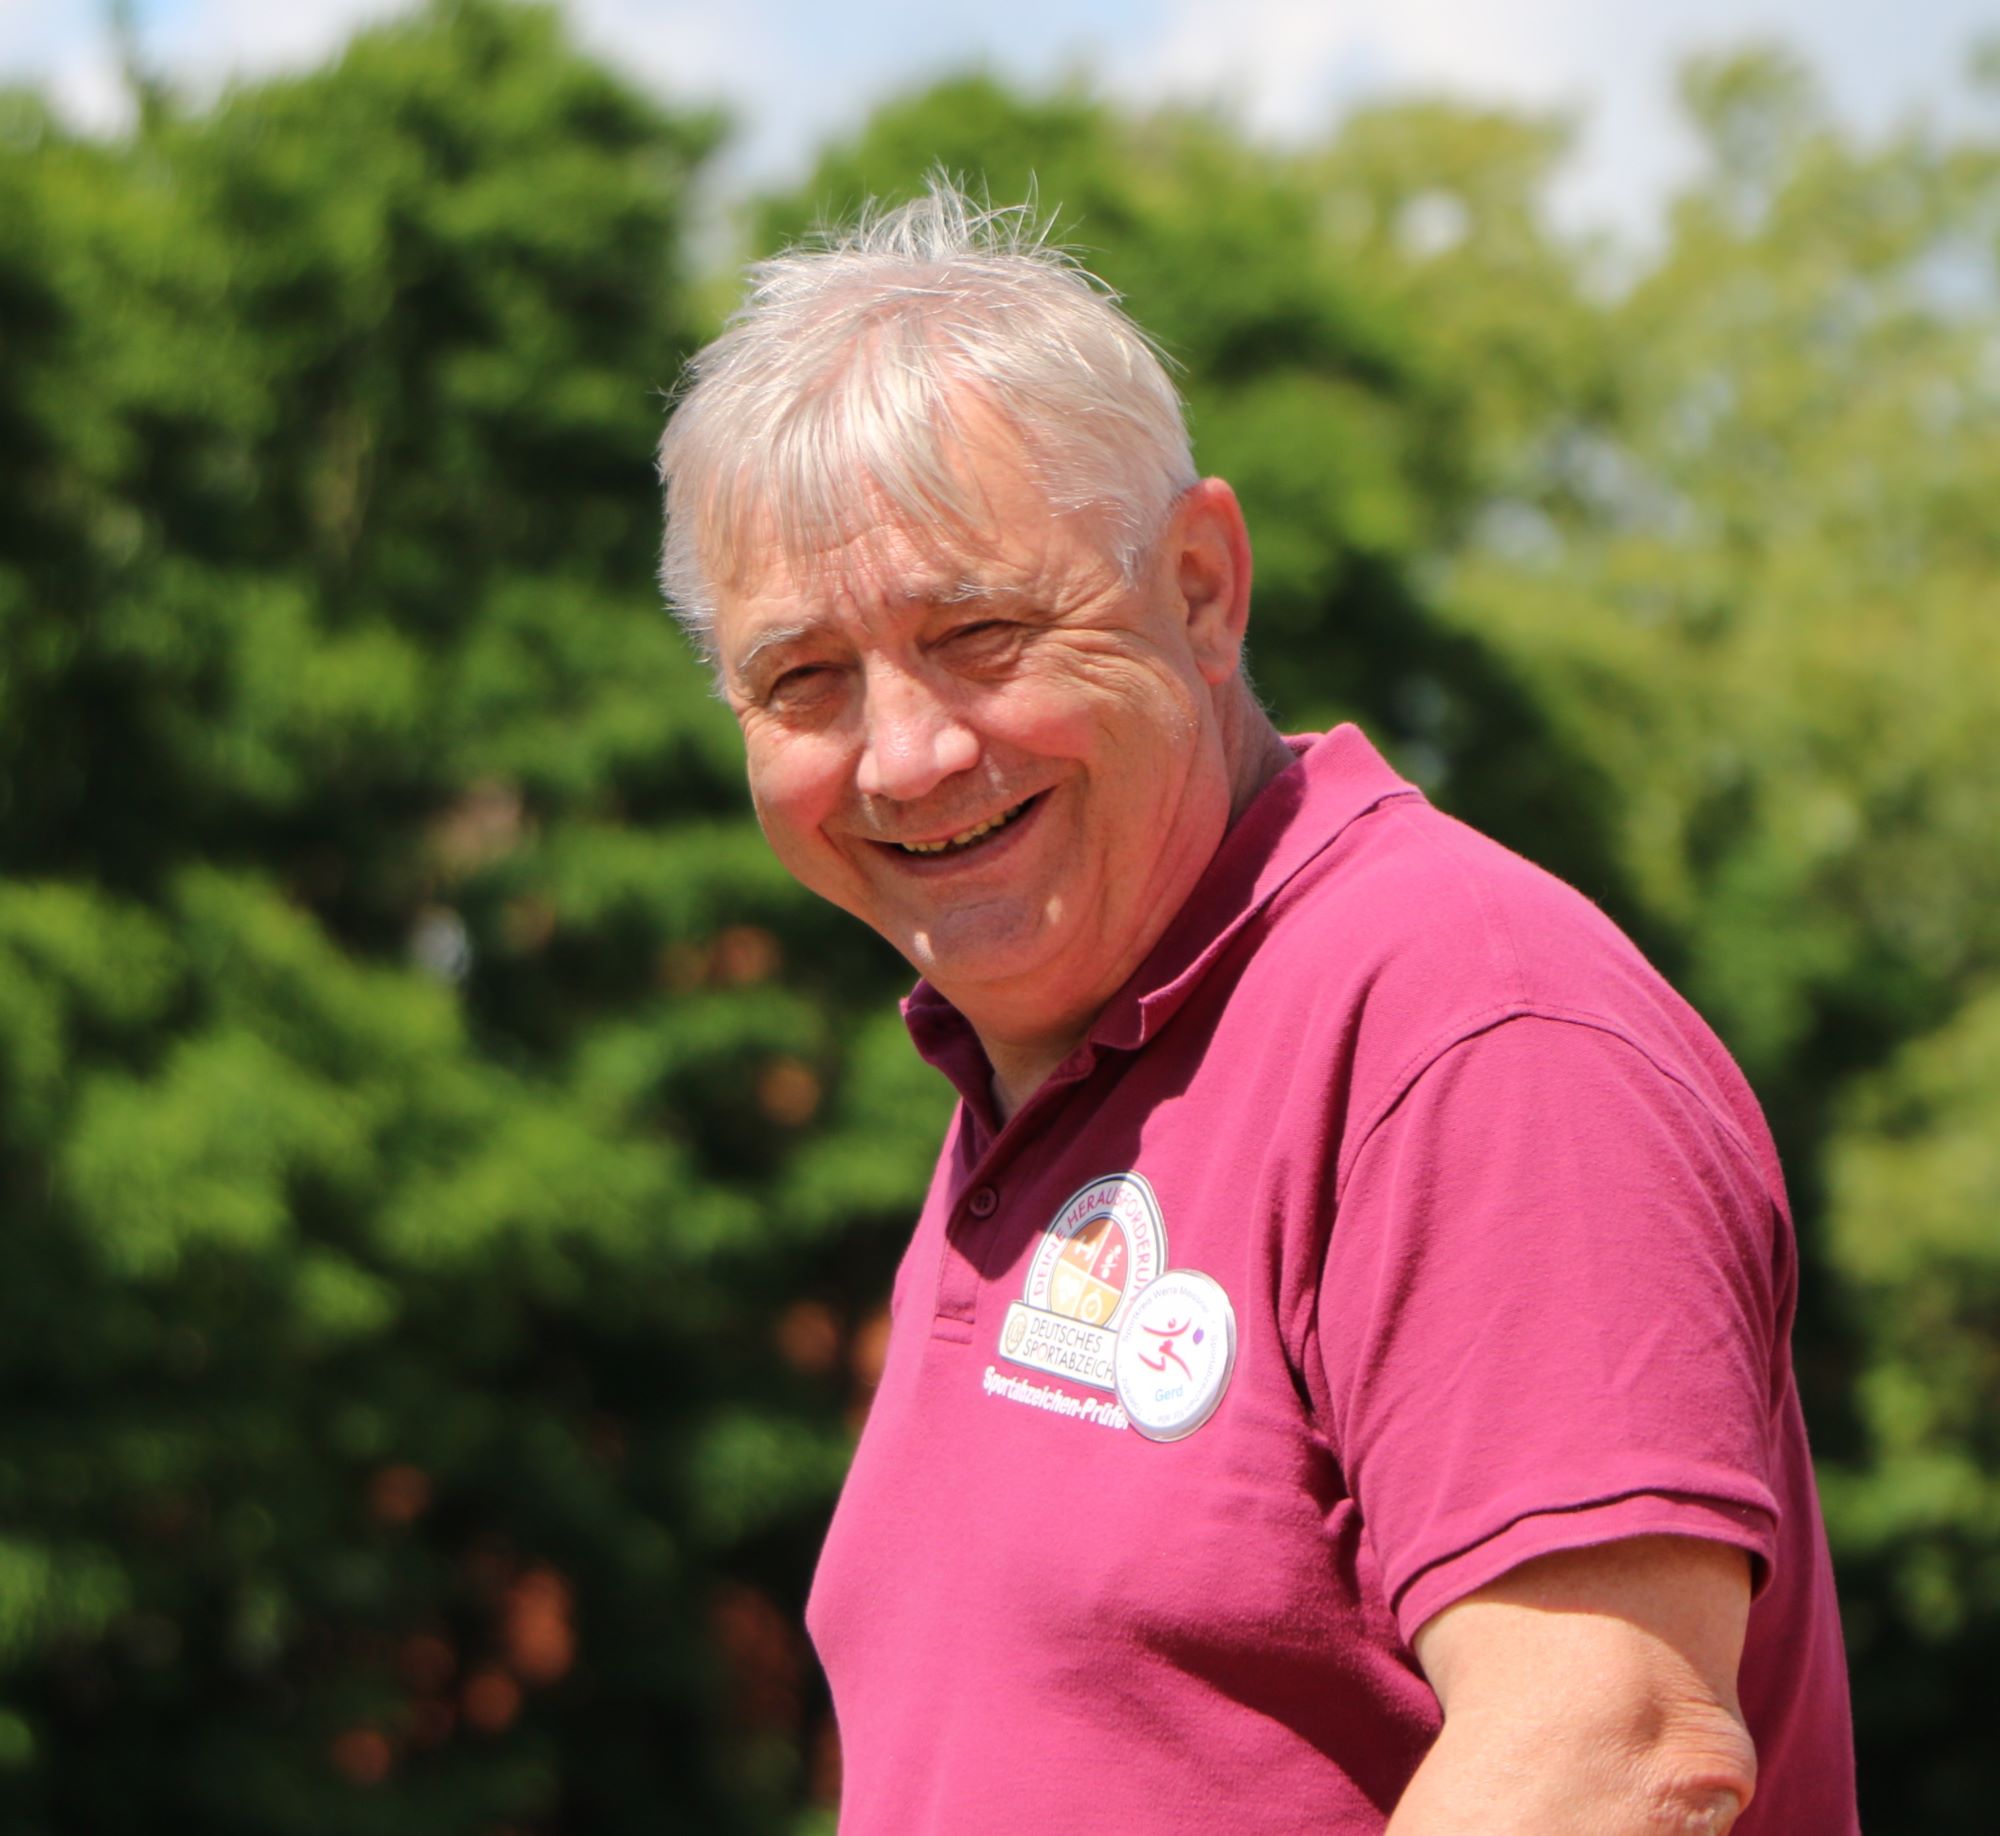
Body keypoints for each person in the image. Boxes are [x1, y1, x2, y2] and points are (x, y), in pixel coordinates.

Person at [656, 182, 1857, 1834]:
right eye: (802, 680)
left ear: (1203, 587)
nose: (909, 756)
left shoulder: (1467, 1025)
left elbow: (1615, 1751)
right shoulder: (1046, 1063)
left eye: (980, 633)